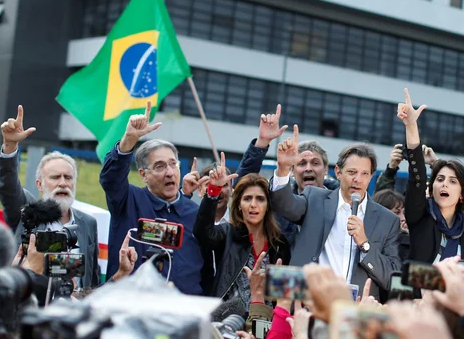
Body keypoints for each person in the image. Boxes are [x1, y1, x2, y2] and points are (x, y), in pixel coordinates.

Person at [270, 125, 401, 295]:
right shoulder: (314, 198)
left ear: (371, 176)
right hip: (307, 301)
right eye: (352, 172)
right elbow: (284, 206)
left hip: (355, 311)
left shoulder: (388, 221)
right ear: (338, 172)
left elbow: (393, 279)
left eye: (364, 174)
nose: (358, 179)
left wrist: (365, 244)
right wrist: (283, 169)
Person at [99, 102, 207, 295]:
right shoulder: (129, 201)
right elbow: (111, 178)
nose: (169, 172)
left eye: (173, 164)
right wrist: (129, 139)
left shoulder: (194, 213)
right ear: (143, 174)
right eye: (159, 166)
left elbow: (206, 272)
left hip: (183, 314)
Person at [0, 105, 100, 289]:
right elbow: (8, 187)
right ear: (39, 185)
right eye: (55, 177)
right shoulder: (27, 212)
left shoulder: (88, 223)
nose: (62, 183)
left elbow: (91, 281)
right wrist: (10, 145)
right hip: (32, 308)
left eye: (68, 177)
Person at [398, 89, 464, 263]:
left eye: (452, 181)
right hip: (418, 290)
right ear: (431, 186)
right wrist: (411, 126)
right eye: (440, 179)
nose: (444, 185)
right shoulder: (420, 219)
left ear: (462, 195)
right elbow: (416, 178)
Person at [194, 170, 291, 305]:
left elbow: (283, 295)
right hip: (228, 319)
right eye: (247, 198)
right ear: (239, 204)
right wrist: (213, 191)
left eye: (260, 199)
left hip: (267, 320)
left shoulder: (280, 242)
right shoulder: (228, 233)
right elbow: (202, 233)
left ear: (268, 205)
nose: (253, 204)